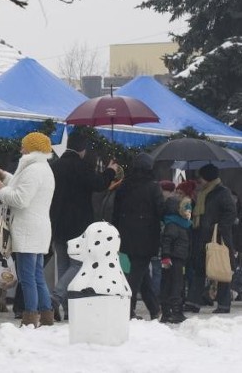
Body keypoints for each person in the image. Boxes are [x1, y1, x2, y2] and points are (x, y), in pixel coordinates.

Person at [49, 129, 119, 318]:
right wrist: (110, 171)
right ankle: (56, 297)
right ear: (82, 149)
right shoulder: (80, 166)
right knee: (78, 265)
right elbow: (98, 184)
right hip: (77, 225)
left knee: (63, 265)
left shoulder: (55, 166)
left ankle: (67, 310)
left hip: (57, 222)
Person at [0, 132, 56, 328]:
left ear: (31, 148)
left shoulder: (33, 170)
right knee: (37, 275)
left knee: (27, 276)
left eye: (24, 146)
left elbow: (20, 199)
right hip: (38, 228)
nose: (21, 149)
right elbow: (22, 186)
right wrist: (4, 176)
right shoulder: (41, 168)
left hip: (27, 229)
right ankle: (47, 314)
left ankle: (30, 316)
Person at [112, 153, 164, 320]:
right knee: (136, 275)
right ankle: (127, 308)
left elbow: (116, 211)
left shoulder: (124, 185)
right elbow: (160, 210)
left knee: (142, 275)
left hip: (126, 235)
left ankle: (155, 309)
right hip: (147, 237)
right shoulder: (153, 187)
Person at [184, 163, 237, 314]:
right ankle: (193, 302)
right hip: (202, 237)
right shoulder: (204, 193)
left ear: (207, 178)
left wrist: (219, 228)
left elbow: (231, 212)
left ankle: (223, 305)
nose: (199, 180)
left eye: (201, 177)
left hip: (219, 238)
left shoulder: (222, 192)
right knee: (199, 269)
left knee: (221, 270)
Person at [159, 189, 192, 323]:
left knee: (171, 284)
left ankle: (168, 312)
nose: (189, 212)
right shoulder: (173, 224)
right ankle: (174, 311)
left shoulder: (181, 225)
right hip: (173, 260)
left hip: (178, 258)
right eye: (186, 209)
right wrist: (166, 256)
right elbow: (167, 241)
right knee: (175, 285)